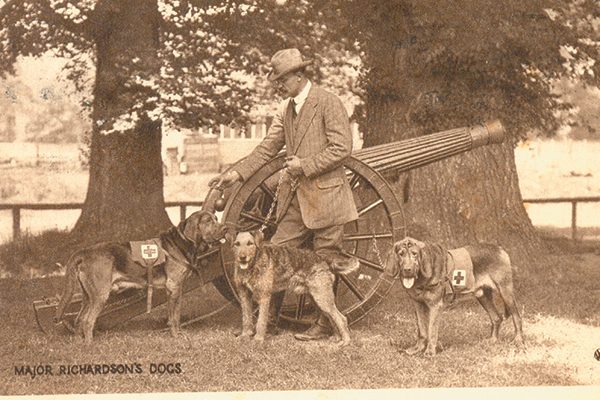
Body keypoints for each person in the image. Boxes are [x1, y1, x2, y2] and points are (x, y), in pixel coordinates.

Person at [209, 48, 358, 341]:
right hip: (295, 201)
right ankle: (270, 322)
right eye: (277, 80)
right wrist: (236, 173)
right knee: (271, 253)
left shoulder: (328, 102)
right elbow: (266, 148)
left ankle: (325, 325)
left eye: (282, 79)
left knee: (325, 259)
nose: (278, 85)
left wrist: (305, 165)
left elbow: (342, 148)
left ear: (300, 75)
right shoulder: (286, 109)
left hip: (328, 198)